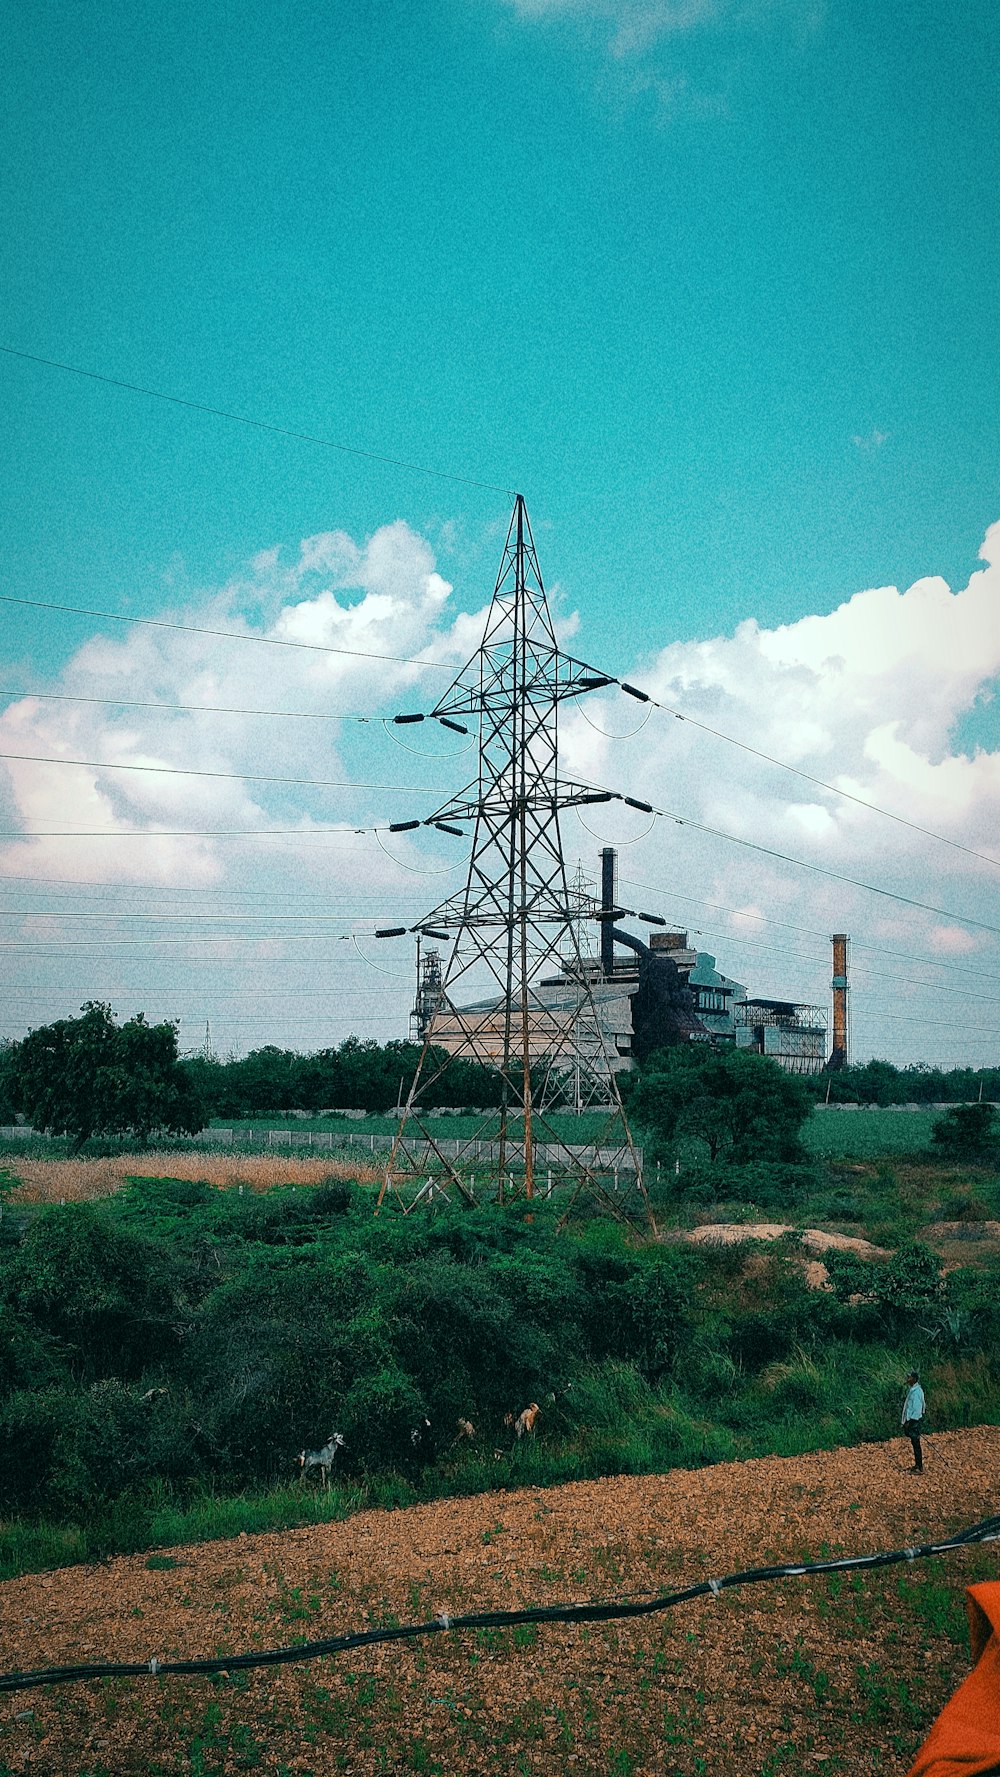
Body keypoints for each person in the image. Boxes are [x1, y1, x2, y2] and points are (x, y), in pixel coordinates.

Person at [901, 1370, 926, 1472]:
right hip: (913, 1420)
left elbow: (916, 1409)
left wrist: (909, 1422)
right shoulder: (915, 1390)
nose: (908, 1379)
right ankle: (917, 1464)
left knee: (916, 1443)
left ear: (914, 1379)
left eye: (910, 1377)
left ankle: (919, 1467)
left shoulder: (916, 1392)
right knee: (914, 1443)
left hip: (913, 1421)